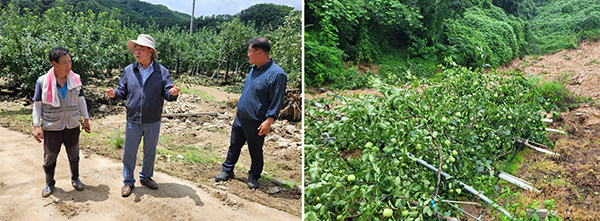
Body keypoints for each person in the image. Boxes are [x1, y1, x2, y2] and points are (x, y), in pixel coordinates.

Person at [105, 34, 180, 197]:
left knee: (150, 150)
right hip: (133, 118)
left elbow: (168, 93)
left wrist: (173, 93)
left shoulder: (162, 72)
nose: (137, 53)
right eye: (135, 49)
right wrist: (114, 94)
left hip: (153, 119)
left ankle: (146, 177)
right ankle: (128, 181)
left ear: (150, 51)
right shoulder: (128, 70)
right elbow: (122, 91)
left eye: (141, 49)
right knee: (129, 151)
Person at [215, 37, 287, 189]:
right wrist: (239, 108)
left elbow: (277, 100)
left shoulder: (277, 74)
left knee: (255, 151)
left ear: (259, 52)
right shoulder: (254, 69)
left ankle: (254, 176)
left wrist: (268, 121)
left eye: (250, 51)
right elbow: (249, 91)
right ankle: (227, 171)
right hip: (241, 117)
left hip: (256, 121)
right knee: (234, 146)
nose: (248, 54)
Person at [32, 47, 91, 197]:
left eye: (69, 61)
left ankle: (75, 178)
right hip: (52, 126)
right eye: (64, 62)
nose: (68, 65)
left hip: (72, 124)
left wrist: (86, 119)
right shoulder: (42, 81)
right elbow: (37, 105)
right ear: (54, 64)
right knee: (50, 156)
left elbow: (81, 100)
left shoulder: (76, 78)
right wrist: (36, 126)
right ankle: (49, 183)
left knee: (74, 153)